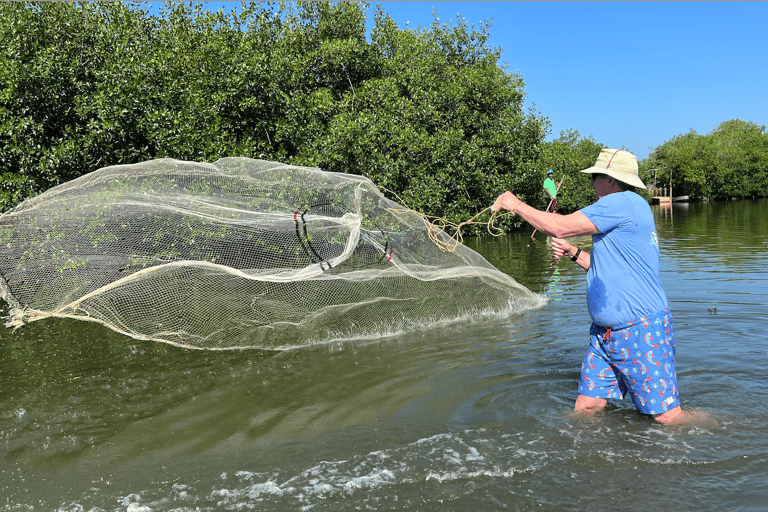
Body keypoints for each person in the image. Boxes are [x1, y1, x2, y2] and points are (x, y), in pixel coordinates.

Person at [492, 148, 689, 425]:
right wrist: (573, 252)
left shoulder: (621, 202)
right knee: (585, 412)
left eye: (594, 177)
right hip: (604, 337)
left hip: (639, 330)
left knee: (668, 419)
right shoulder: (630, 207)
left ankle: (726, 434)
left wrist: (515, 204)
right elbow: (608, 269)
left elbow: (559, 226)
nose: (592, 184)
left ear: (609, 179)